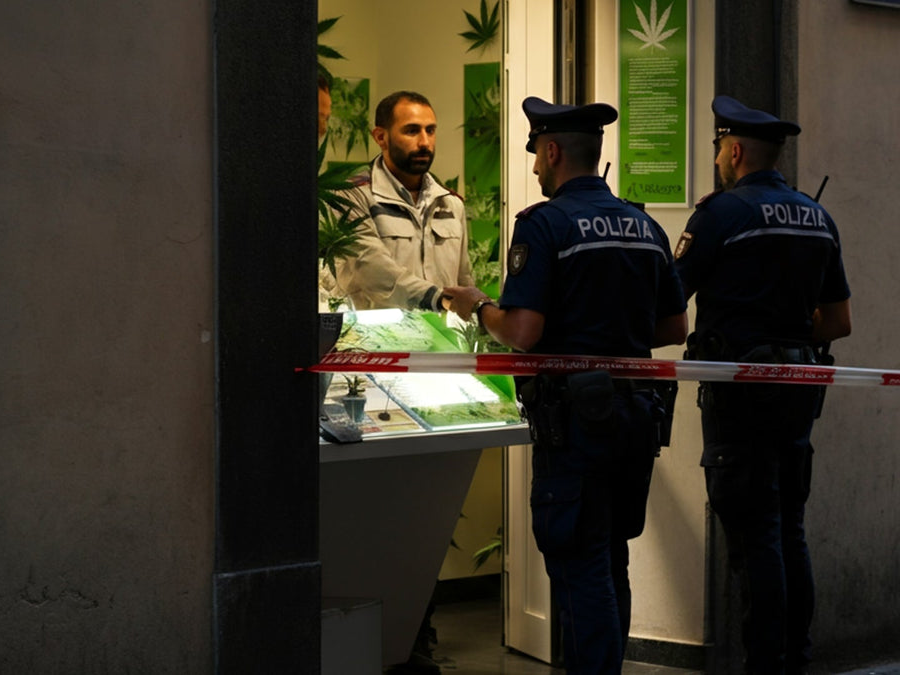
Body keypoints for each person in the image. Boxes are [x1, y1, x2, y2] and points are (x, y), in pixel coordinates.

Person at [444, 96, 688, 674]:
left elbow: (524, 331)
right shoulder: (643, 223)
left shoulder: (545, 224)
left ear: (552, 151)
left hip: (576, 425)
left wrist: (481, 308)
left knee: (579, 566)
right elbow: (674, 327)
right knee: (611, 561)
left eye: (536, 155)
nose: (533, 169)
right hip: (635, 418)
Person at [674, 95, 852, 675]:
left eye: (721, 151)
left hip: (740, 394)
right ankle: (794, 660)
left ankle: (764, 665)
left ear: (733, 150)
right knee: (788, 529)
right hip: (800, 389)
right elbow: (838, 322)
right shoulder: (815, 215)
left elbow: (669, 299)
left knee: (755, 539)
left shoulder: (719, 215)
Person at [334, 90, 472, 311]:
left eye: (431, 130)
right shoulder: (353, 196)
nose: (425, 142)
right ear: (381, 137)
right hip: (377, 341)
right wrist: (437, 299)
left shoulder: (450, 204)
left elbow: (464, 280)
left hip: (442, 343)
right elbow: (371, 269)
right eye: (412, 131)